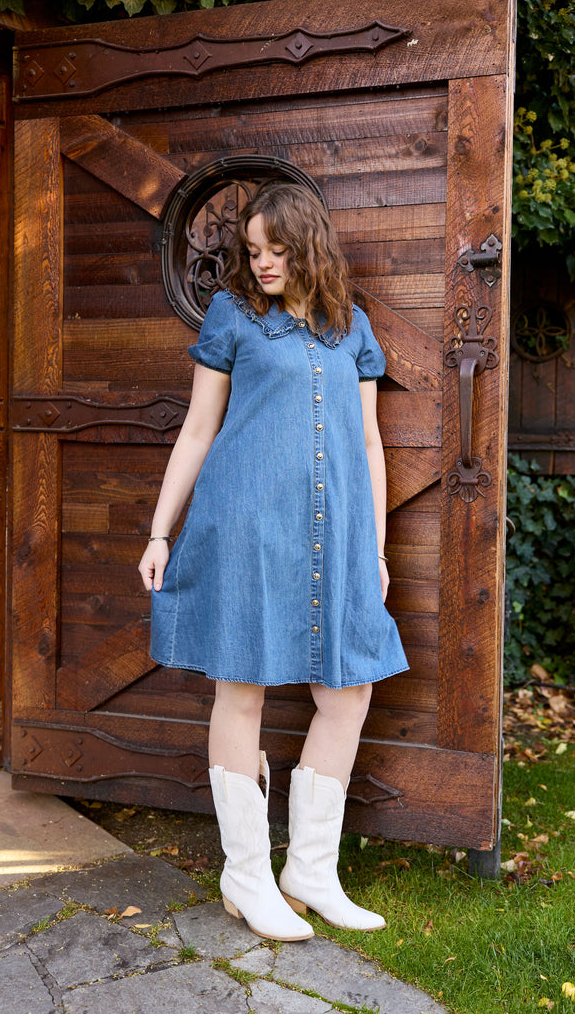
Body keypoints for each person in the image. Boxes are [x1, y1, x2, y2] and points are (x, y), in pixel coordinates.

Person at [138, 182, 408, 942]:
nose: (260, 264)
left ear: (308, 246)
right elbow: (197, 430)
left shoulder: (349, 328)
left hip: (336, 535)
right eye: (252, 251)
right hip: (246, 528)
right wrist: (160, 533)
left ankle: (311, 872)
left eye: (275, 251)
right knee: (243, 689)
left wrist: (376, 547)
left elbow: (367, 445)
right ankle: (247, 875)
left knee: (347, 692)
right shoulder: (233, 318)